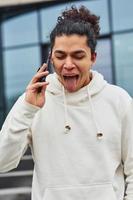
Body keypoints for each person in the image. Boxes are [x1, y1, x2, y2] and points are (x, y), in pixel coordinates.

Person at [0, 5, 133, 200]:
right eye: (60, 56)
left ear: (93, 58)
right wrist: (27, 108)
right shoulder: (33, 102)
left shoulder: (119, 100)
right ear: (51, 58)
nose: (68, 65)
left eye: (78, 56)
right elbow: (3, 162)